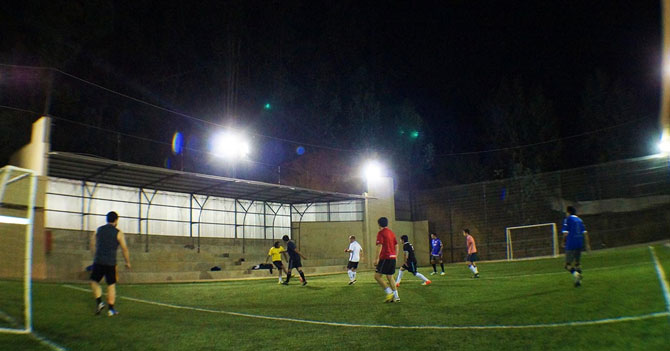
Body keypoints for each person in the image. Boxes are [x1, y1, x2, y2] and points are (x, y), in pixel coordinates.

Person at [90, 211, 131, 316]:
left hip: (98, 261)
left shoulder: (98, 230)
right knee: (111, 285)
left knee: (94, 281)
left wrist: (94, 255)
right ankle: (111, 309)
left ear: (107, 219)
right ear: (116, 220)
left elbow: (92, 243)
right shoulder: (118, 233)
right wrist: (127, 262)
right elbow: (124, 249)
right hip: (111, 263)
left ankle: (99, 302)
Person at [562, 206, 591, 287]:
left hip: (571, 244)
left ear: (568, 212)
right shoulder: (580, 220)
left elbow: (565, 233)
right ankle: (578, 282)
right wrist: (587, 245)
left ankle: (576, 274)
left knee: (567, 265)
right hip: (579, 243)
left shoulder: (568, 219)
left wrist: (563, 242)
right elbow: (585, 233)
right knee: (577, 264)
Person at [374, 217, 399, 303]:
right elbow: (396, 245)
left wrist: (376, 258)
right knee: (390, 276)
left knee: (377, 276)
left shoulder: (381, 233)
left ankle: (389, 292)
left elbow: (379, 245)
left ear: (379, 224)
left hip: (385, 257)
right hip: (392, 257)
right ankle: (396, 296)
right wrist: (396, 255)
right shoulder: (391, 233)